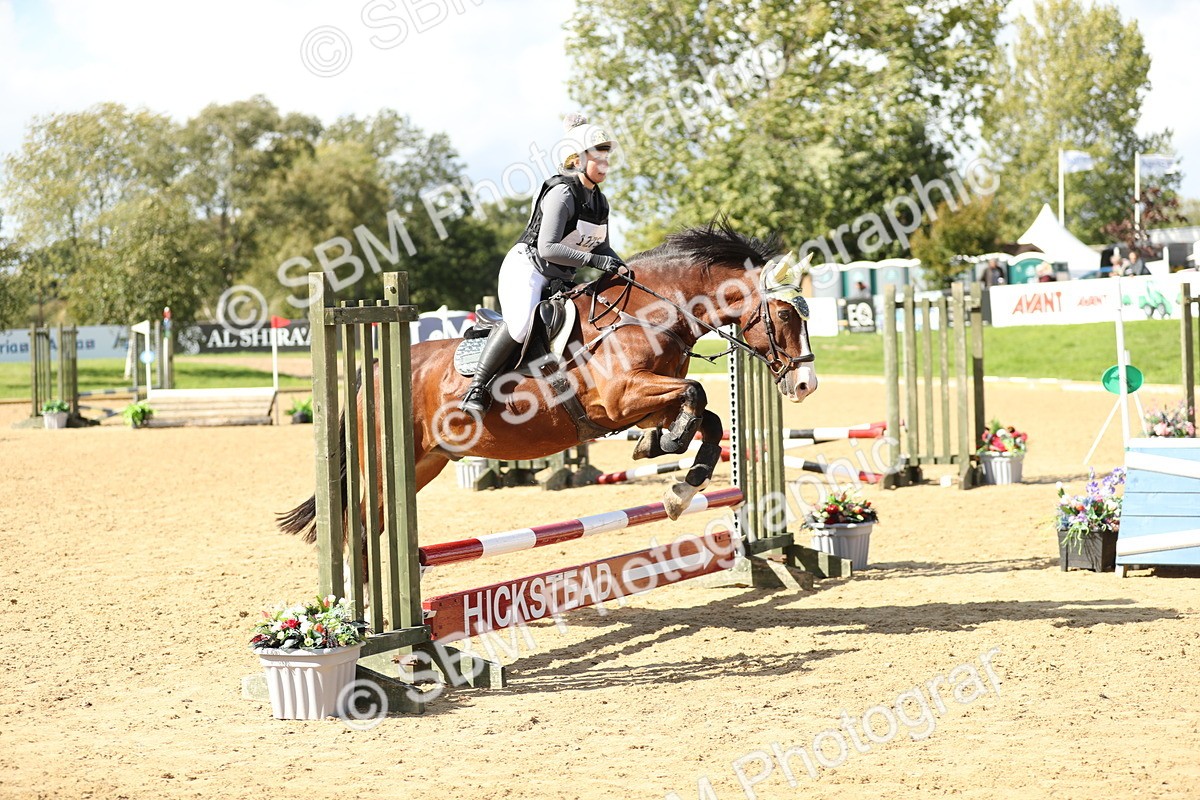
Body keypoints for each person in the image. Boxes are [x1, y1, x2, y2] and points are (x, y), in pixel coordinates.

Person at [459, 114, 626, 414]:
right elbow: (548, 248)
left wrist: (623, 267)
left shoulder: (600, 202)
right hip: (528, 268)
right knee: (521, 323)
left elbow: (603, 246)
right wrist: (596, 260)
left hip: (559, 278)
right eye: (597, 156)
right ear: (577, 159)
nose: (604, 163)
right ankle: (477, 387)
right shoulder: (563, 193)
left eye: (606, 156)